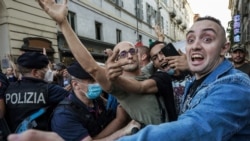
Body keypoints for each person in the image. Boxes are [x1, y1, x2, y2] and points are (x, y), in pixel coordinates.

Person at [38, 0, 176, 125]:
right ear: (116, 61)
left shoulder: (146, 72)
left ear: (139, 56)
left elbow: (159, 57)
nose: (129, 56)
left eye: (132, 51)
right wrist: (64, 23)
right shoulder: (116, 84)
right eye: (122, 54)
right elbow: (92, 67)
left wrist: (160, 39)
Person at [115, 16, 250, 140]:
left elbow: (191, 130)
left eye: (207, 39)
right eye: (190, 40)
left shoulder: (234, 86)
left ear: (224, 48)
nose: (195, 46)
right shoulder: (193, 82)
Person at [50, 62, 129, 141]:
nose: (98, 84)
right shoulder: (64, 115)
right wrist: (122, 131)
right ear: (75, 84)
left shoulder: (96, 100)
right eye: (92, 80)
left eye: (98, 79)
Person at [4, 52, 69, 132]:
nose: (48, 71)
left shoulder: (9, 88)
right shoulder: (51, 89)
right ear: (35, 72)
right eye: (45, 68)